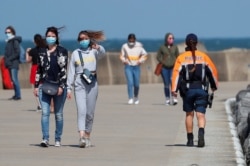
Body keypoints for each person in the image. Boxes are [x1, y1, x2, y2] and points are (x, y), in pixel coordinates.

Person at [171, 33, 218, 147]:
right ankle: (201, 133)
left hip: (188, 91)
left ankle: (190, 140)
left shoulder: (181, 58)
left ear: (186, 44)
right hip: (202, 89)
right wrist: (213, 85)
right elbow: (212, 72)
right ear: (196, 43)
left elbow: (176, 75)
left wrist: (174, 90)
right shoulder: (204, 56)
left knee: (189, 114)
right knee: (200, 115)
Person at [67, 30, 105, 148]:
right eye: (81, 39)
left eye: (85, 38)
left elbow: (103, 54)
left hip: (92, 82)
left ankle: (88, 135)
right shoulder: (75, 53)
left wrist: (98, 47)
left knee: (90, 113)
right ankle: (82, 137)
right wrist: (69, 88)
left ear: (89, 40)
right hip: (79, 82)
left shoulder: (94, 51)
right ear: (78, 41)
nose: (83, 41)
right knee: (81, 110)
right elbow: (71, 71)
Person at [34, 26, 68, 147]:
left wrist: (62, 86)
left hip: (58, 86)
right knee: (45, 113)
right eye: (48, 36)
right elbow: (39, 69)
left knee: (58, 114)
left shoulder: (62, 51)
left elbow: (64, 70)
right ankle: (45, 138)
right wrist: (36, 86)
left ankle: (58, 138)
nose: (50, 38)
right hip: (44, 85)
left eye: (53, 36)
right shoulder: (41, 52)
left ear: (56, 38)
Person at [120, 33, 147, 104]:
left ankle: (136, 96)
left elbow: (145, 54)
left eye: (132, 40)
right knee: (130, 82)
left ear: (135, 40)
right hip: (128, 66)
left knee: (136, 84)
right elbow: (122, 55)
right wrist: (124, 60)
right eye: (130, 40)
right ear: (128, 40)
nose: (131, 41)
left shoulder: (139, 46)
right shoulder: (124, 46)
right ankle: (130, 97)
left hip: (136, 66)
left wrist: (140, 61)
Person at [156, 33, 179, 105]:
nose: (171, 40)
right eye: (170, 38)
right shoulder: (162, 47)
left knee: (173, 83)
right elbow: (158, 56)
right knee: (166, 84)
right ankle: (167, 99)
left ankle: (174, 98)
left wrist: (177, 63)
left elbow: (178, 56)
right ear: (166, 39)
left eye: (172, 38)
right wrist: (162, 61)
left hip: (172, 68)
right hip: (164, 68)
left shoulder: (175, 47)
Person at [26, 34, 47, 112]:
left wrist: (27, 52)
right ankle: (44, 104)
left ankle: (39, 105)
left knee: (36, 88)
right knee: (43, 87)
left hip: (35, 68)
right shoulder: (45, 49)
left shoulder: (33, 50)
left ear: (34, 41)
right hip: (43, 68)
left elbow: (28, 60)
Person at [4, 26, 22, 100]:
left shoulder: (15, 41)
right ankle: (16, 94)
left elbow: (17, 52)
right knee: (12, 80)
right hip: (9, 63)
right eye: (6, 32)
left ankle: (18, 95)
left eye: (9, 32)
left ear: (12, 32)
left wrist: (9, 59)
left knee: (15, 79)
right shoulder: (8, 41)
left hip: (14, 63)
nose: (7, 33)